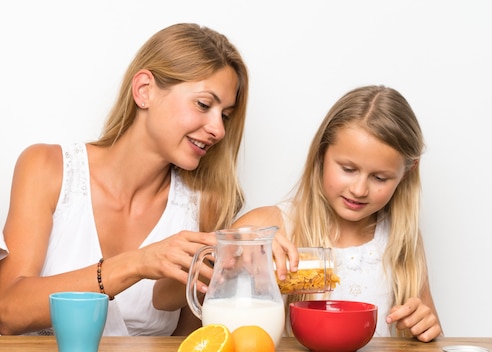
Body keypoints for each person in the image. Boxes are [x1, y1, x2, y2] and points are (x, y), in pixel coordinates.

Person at [0, 23, 296, 337]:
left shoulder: (205, 205)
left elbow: (193, 339)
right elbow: (6, 311)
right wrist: (138, 263)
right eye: (204, 104)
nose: (219, 130)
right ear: (144, 90)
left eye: (224, 115)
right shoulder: (47, 168)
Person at [231, 85, 443, 342]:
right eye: (348, 169)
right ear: (321, 153)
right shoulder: (270, 225)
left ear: (406, 173)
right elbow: (208, 307)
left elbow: (430, 334)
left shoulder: (400, 240)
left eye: (379, 177)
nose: (359, 189)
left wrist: (422, 328)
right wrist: (245, 254)